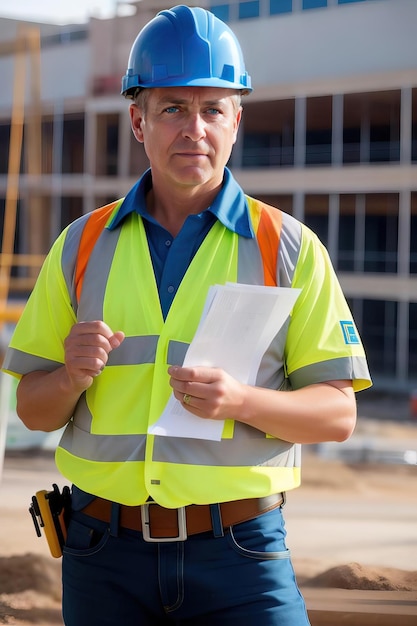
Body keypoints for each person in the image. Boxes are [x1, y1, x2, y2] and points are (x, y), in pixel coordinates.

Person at [3, 5, 372, 625]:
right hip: (101, 555)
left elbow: (337, 415)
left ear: (236, 121)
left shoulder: (287, 248)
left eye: (211, 109)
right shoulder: (80, 247)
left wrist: (241, 401)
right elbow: (33, 412)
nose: (193, 129)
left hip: (241, 555)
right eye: (172, 108)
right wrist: (68, 377)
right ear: (138, 121)